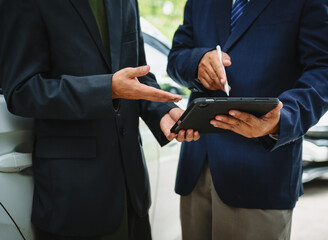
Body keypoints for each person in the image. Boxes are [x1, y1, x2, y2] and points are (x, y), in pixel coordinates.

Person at [0, 0, 199, 239]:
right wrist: (107, 89)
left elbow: (137, 74)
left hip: (133, 195)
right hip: (75, 202)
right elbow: (22, 91)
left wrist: (162, 110)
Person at [167, 0, 328, 239]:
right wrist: (197, 62)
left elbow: (327, 68)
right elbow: (177, 56)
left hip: (261, 172)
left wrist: (284, 116)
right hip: (196, 168)